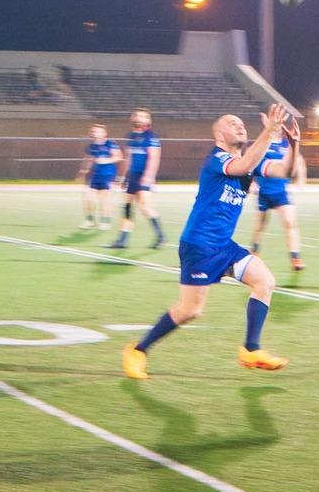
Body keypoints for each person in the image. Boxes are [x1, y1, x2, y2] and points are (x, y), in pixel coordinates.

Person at [123, 106, 297, 378]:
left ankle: (251, 350)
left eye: (241, 123)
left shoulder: (251, 158)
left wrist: (293, 144)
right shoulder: (217, 158)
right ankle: (138, 350)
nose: (239, 126)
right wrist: (269, 131)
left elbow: (286, 170)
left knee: (265, 281)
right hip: (199, 246)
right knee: (190, 310)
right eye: (232, 123)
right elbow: (244, 166)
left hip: (224, 245)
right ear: (219, 134)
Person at [250, 122, 305, 272]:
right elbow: (251, 163)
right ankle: (254, 251)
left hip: (281, 192)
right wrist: (251, 183)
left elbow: (299, 161)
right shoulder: (262, 144)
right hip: (264, 192)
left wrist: (301, 180)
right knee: (260, 225)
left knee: (290, 222)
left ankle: (295, 258)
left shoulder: (287, 145)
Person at [111, 109, 164, 250]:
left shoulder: (150, 137)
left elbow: (154, 158)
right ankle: (122, 239)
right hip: (132, 176)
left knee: (145, 206)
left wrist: (148, 177)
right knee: (127, 206)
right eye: (136, 115)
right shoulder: (132, 136)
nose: (139, 118)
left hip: (143, 176)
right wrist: (122, 177)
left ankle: (160, 235)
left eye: (143, 116)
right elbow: (128, 158)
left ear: (148, 120)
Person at [76, 123, 121, 230]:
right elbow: (88, 159)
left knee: (105, 197)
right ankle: (89, 220)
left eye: (99, 131)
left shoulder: (111, 144)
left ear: (104, 133)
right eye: (94, 132)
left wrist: (106, 160)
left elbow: (118, 157)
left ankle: (105, 221)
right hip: (93, 175)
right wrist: (83, 171)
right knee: (87, 197)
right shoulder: (91, 146)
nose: (97, 134)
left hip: (107, 174)